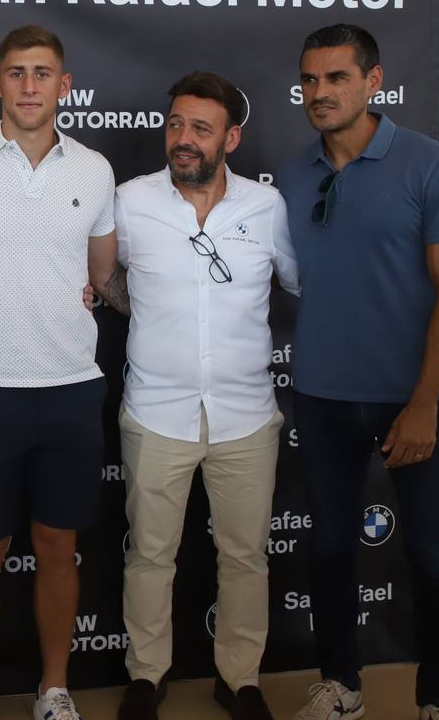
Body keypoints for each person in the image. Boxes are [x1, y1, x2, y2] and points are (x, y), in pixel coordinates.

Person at [278, 25, 439, 720]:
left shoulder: (429, 164)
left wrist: (423, 402)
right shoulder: (294, 173)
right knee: (329, 548)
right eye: (309, 79)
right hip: (323, 397)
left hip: (412, 398)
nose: (320, 92)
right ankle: (341, 684)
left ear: (373, 82)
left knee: (434, 557)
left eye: (336, 78)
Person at [0, 24, 117, 720]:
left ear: (64, 86)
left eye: (43, 73)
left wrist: (94, 288)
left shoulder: (93, 169)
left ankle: (53, 689)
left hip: (69, 386)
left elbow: (101, 271)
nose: (29, 85)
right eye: (16, 72)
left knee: (59, 549)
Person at [96, 71, 298, 720]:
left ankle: (239, 678)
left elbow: (298, 281)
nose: (183, 139)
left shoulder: (267, 209)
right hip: (157, 412)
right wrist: (145, 310)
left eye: (201, 129)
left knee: (245, 557)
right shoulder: (129, 201)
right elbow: (106, 282)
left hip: (245, 416)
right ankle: (146, 675)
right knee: (151, 554)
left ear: (231, 138)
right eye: (176, 124)